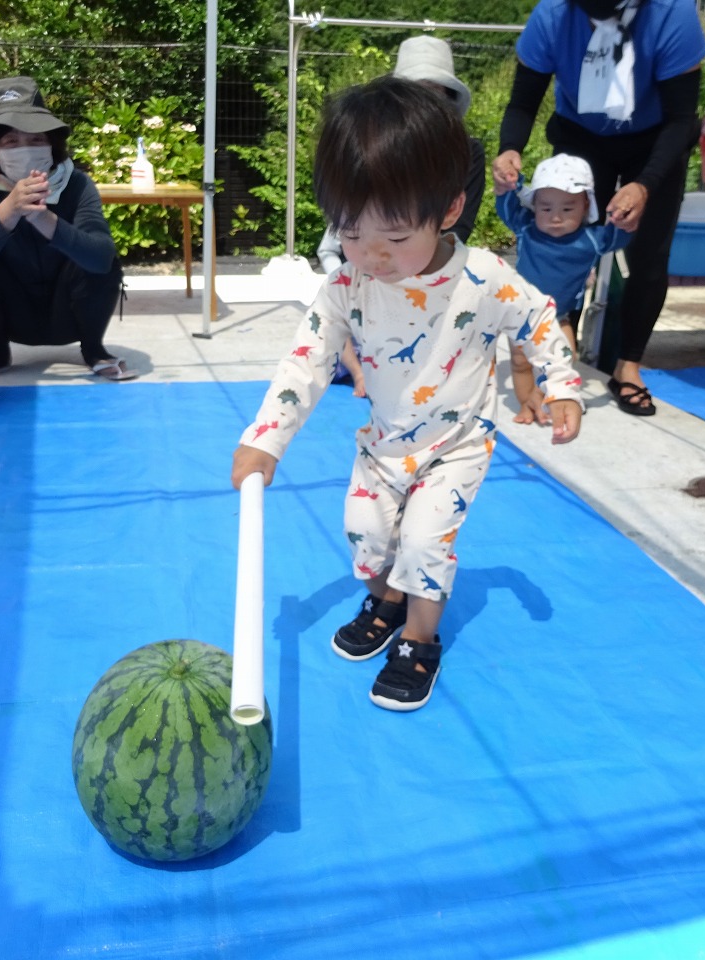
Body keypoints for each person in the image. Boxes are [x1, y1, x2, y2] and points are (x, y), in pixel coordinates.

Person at [231, 77, 584, 712]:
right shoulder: (347, 285)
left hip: (456, 447)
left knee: (424, 543)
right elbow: (306, 360)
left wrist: (560, 385)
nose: (371, 254)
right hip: (383, 446)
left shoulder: (483, 277)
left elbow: (538, 317)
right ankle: (386, 601)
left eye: (394, 237)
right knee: (365, 535)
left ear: (448, 210)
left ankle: (420, 639)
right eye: (349, 231)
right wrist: (266, 438)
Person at [493, 0, 705, 417]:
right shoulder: (553, 14)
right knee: (561, 239)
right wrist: (509, 149)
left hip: (655, 139)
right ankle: (558, 349)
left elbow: (682, 118)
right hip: (581, 135)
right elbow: (523, 102)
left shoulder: (672, 12)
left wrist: (645, 185)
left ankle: (628, 365)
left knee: (649, 254)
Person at [316, 36, 487, 400]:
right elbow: (339, 233)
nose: (423, 106)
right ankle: (360, 371)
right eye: (413, 93)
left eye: (434, 96)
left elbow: (460, 228)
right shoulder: (374, 148)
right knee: (337, 325)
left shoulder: (466, 154)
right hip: (366, 274)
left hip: (424, 265)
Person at [0, 76, 132, 380]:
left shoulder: (77, 183)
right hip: (9, 315)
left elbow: (102, 260)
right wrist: (8, 211)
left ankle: (94, 349)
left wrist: (43, 218)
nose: (25, 149)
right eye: (10, 142)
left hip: (71, 314)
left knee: (99, 253)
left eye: (36, 139)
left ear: (52, 143)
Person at [495, 152, 633, 423]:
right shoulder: (526, 228)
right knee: (521, 362)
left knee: (565, 360)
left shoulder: (592, 239)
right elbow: (507, 207)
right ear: (534, 205)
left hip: (559, 316)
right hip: (522, 314)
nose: (555, 217)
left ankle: (542, 399)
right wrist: (508, 186)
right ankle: (526, 406)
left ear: (586, 206)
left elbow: (621, 234)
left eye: (567, 209)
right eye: (546, 209)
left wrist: (622, 216)